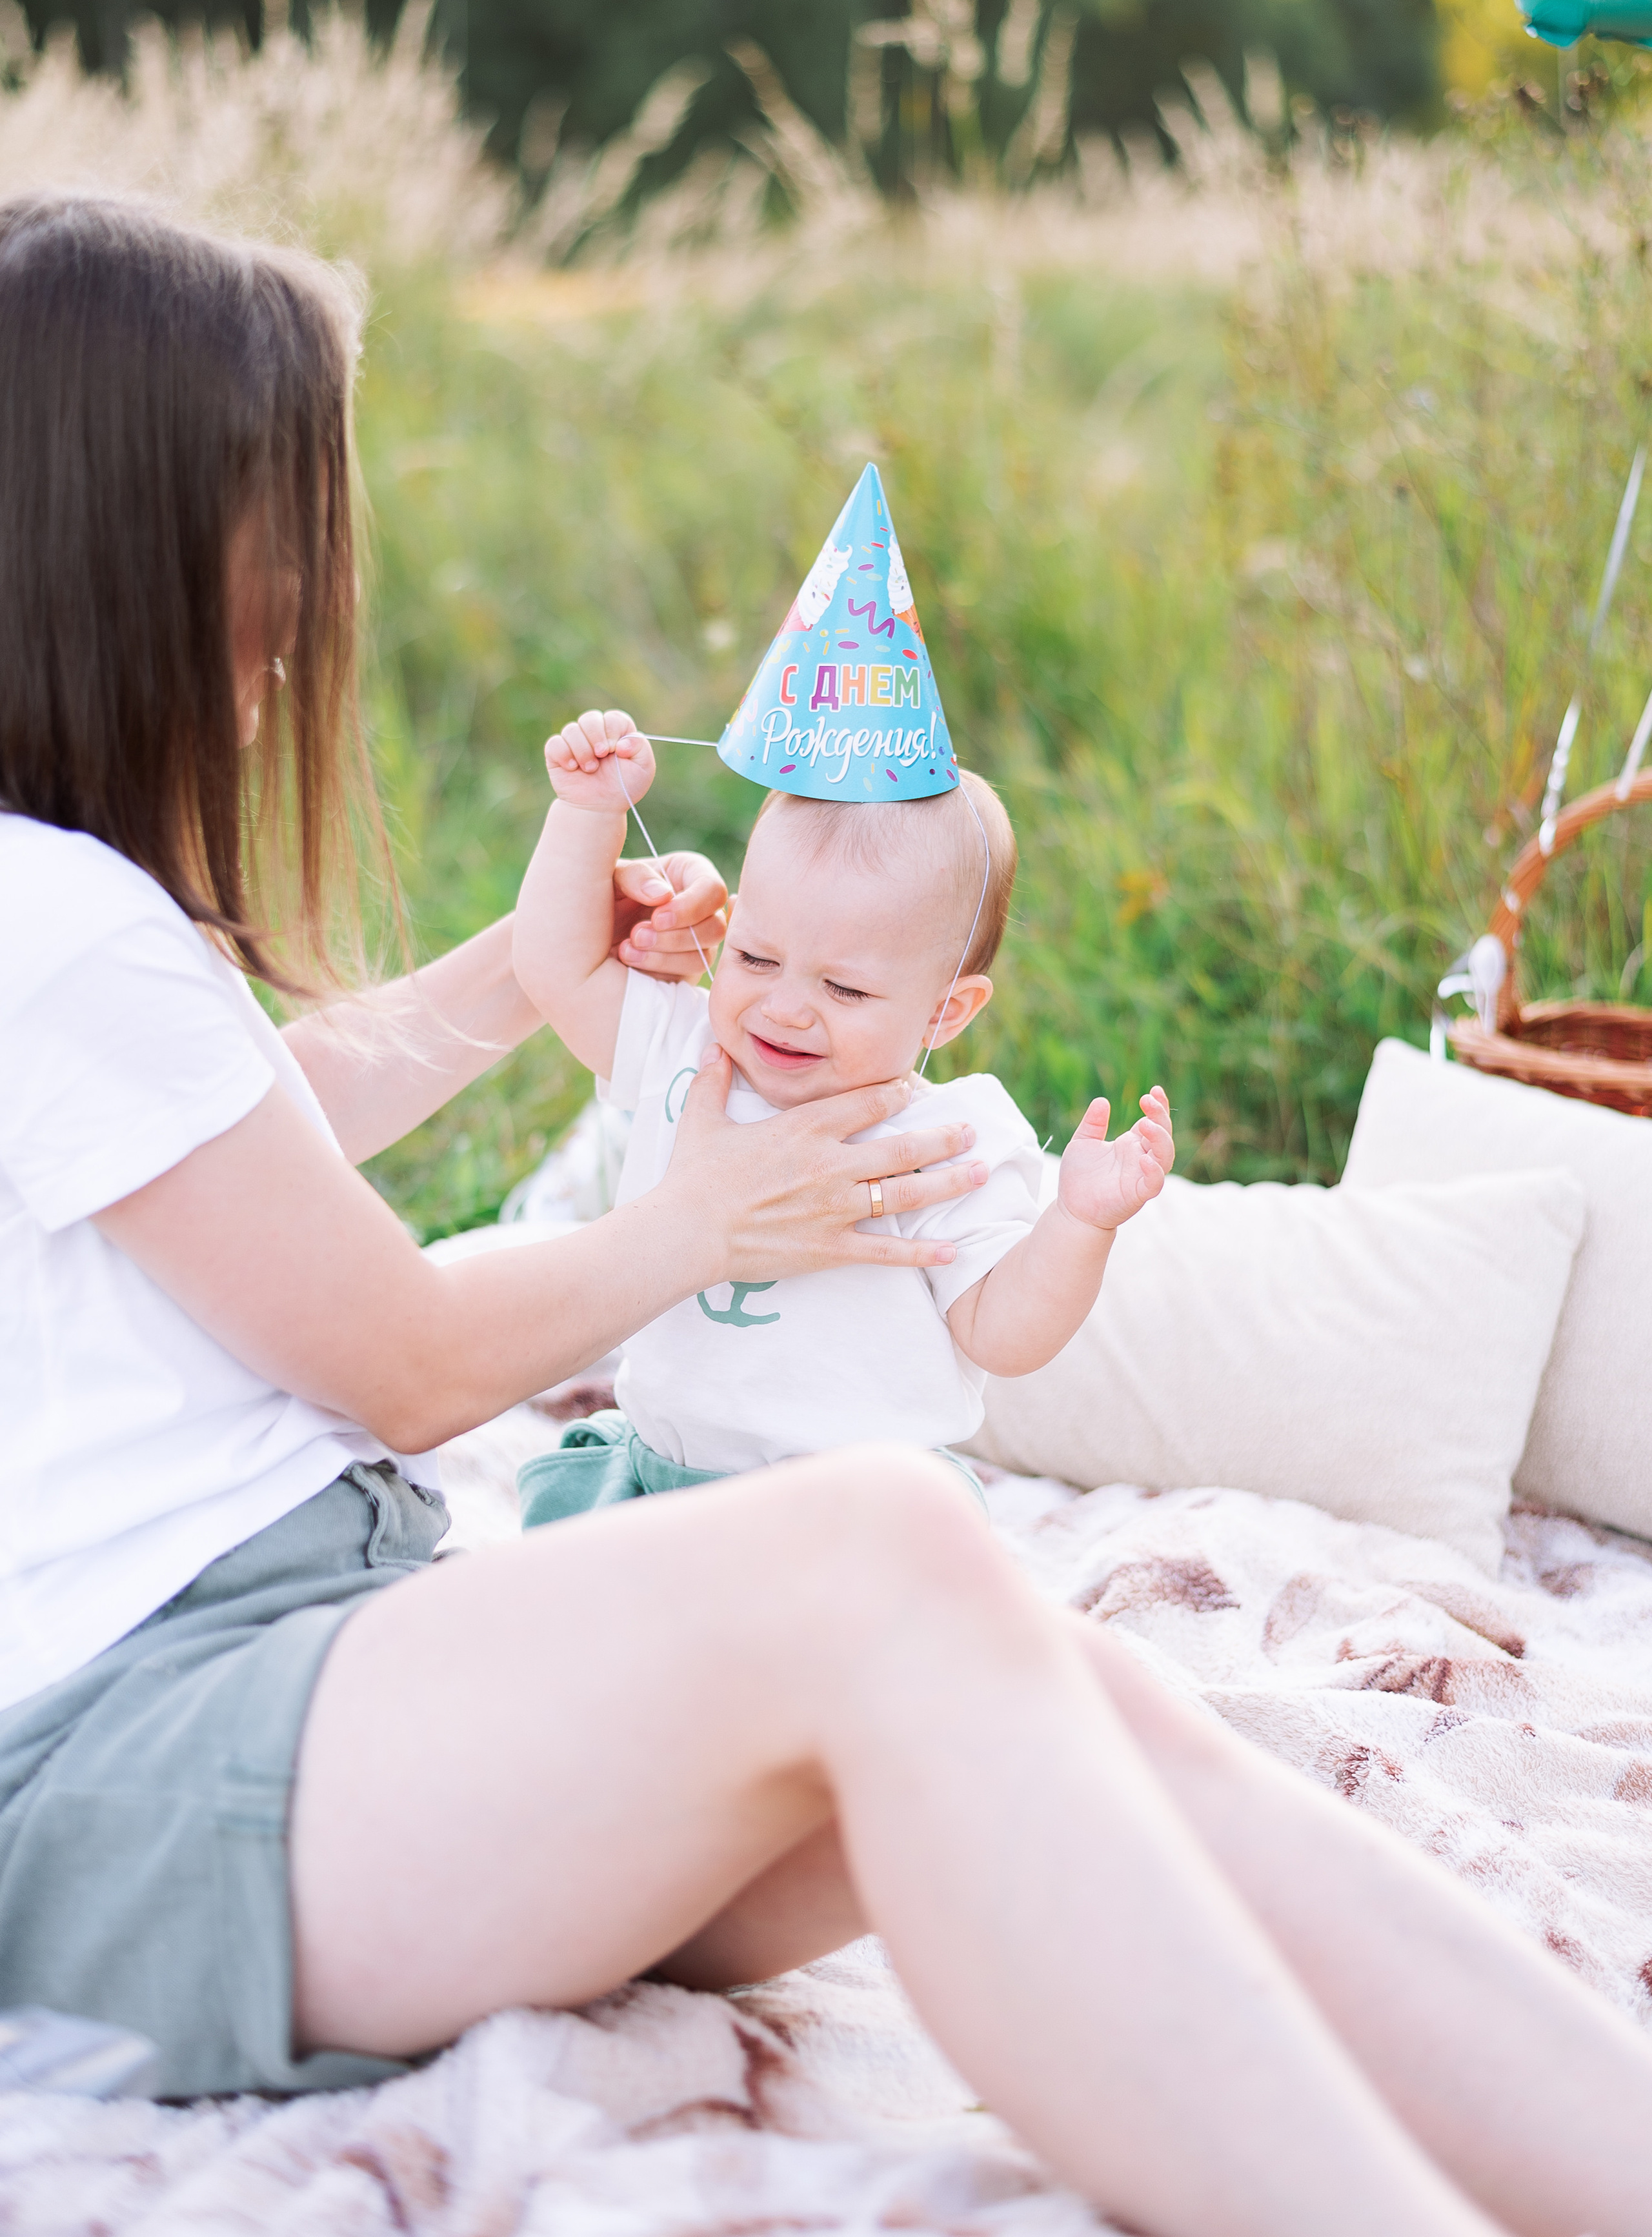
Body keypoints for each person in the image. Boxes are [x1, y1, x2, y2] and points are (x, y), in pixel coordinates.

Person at [1, 191, 1649, 2237]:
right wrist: (714, 1214)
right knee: (878, 1550)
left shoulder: (62, 922)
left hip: (302, 1692)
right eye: (284, 543)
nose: (299, 616)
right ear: (143, 549)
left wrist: (536, 969)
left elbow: (271, 1113)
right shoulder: (46, 920)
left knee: (1066, 1691)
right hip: (146, 1767)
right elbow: (406, 1362)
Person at [509, 714, 1174, 1519]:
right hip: (659, 1488)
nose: (785, 1010)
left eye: (845, 989)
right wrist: (587, 814)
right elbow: (553, 967)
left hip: (851, 1515)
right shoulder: (687, 1054)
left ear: (945, 1014)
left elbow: (1004, 1335)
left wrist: (1078, 1222)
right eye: (754, 958)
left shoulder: (945, 1145)